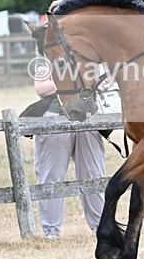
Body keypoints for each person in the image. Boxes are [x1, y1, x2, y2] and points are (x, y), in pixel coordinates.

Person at [29, 78, 106, 238]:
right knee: (51, 176)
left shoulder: (92, 53)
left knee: (93, 174)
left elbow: (105, 81)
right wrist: (79, 81)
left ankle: (100, 228)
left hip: (89, 115)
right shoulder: (47, 54)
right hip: (55, 116)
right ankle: (51, 233)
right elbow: (41, 88)